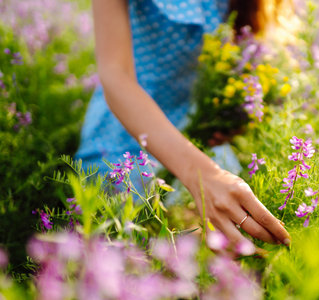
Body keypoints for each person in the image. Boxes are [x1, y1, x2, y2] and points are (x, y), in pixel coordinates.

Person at [76, 0, 291, 253]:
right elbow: (116, 77)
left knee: (222, 232)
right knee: (169, 235)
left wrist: (234, 116)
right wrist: (203, 175)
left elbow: (248, 56)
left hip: (195, 135)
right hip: (120, 139)